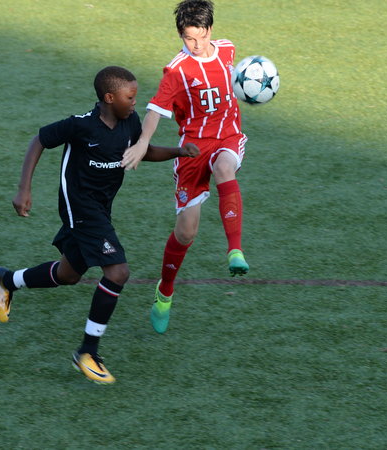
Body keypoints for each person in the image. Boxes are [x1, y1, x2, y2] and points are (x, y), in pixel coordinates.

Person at [0, 66, 199, 384]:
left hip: (101, 208)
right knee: (118, 272)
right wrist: (24, 189)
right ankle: (88, 352)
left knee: (69, 274)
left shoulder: (130, 122)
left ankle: (7, 280)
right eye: (130, 97)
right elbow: (39, 140)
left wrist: (178, 151)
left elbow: (141, 152)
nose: (135, 102)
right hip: (79, 207)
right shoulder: (81, 126)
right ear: (109, 97)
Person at [121, 0, 248, 334]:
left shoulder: (228, 50)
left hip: (228, 138)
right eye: (189, 38)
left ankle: (235, 250)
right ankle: (165, 291)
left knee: (225, 169)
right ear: (181, 35)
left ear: (210, 30)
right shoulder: (176, 70)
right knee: (186, 231)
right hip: (192, 150)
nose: (197, 44)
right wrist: (143, 142)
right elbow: (155, 110)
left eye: (202, 36)